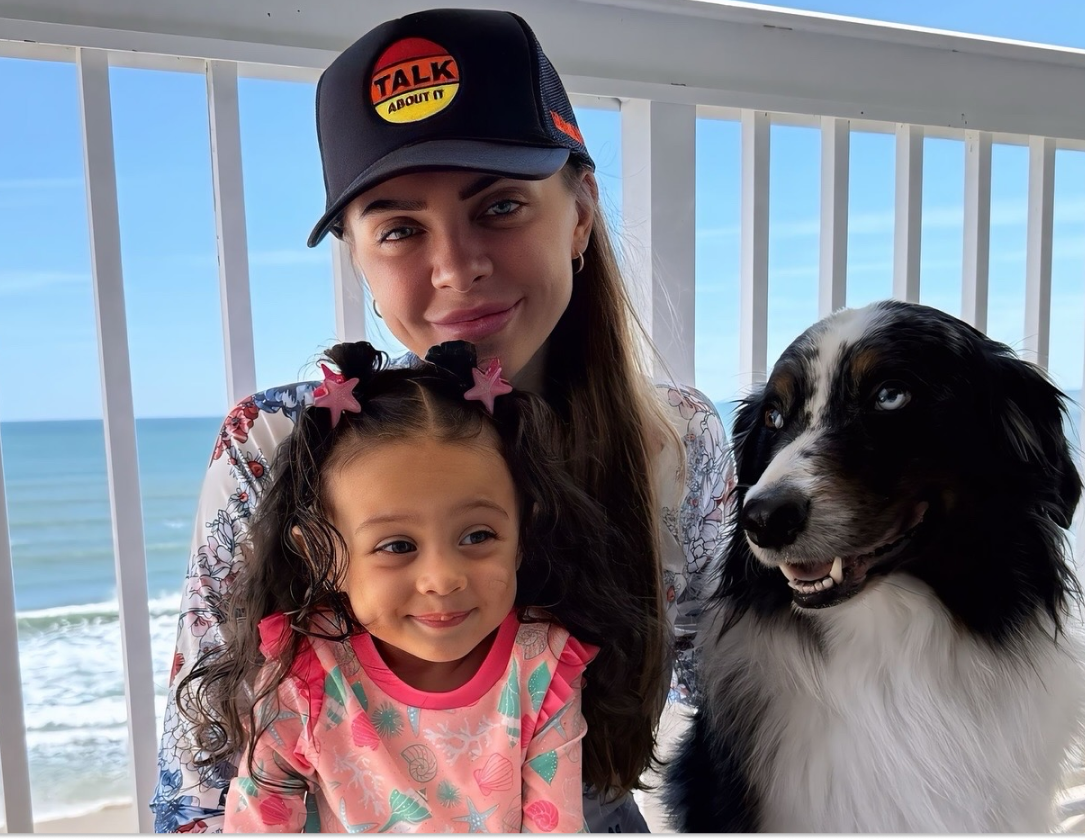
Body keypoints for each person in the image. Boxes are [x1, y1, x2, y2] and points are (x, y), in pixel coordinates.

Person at [152, 7, 735, 834]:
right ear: (357, 256)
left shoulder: (676, 443)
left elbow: (741, 701)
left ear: (578, 214)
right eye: (398, 228)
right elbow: (200, 782)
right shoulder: (279, 444)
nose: (457, 267)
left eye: (499, 207)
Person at [177, 339, 607, 833]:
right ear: (324, 555)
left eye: (478, 535)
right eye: (398, 546)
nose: (443, 578)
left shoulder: (541, 664)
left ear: (522, 538)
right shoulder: (306, 674)